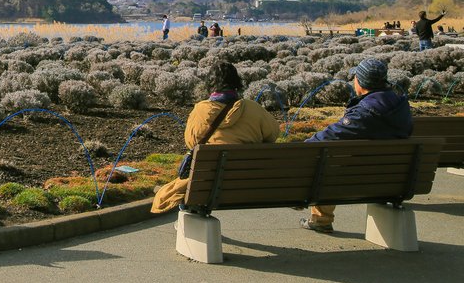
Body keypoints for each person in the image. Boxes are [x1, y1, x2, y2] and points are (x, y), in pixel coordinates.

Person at [298, 57, 413, 232]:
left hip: (360, 177)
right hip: (395, 177)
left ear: (360, 82)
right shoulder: (401, 106)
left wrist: (304, 146)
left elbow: (331, 135)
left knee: (327, 162)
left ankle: (321, 219)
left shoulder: (364, 113)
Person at [151, 60, 279, 213]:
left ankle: (192, 214)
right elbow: (273, 134)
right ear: (237, 83)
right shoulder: (253, 108)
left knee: (178, 189)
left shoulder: (201, 110)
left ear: (210, 84)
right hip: (249, 182)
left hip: (206, 185)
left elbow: (191, 142)